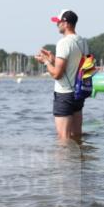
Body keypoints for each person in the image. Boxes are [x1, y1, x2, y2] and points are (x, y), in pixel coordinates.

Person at [35, 9, 90, 142]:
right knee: (77, 136)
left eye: (58, 22)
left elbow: (57, 74)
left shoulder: (64, 42)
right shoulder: (83, 42)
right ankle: (78, 162)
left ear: (66, 23)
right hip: (79, 93)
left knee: (63, 139)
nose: (57, 24)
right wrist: (54, 59)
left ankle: (65, 163)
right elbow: (74, 65)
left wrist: (46, 62)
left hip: (65, 94)